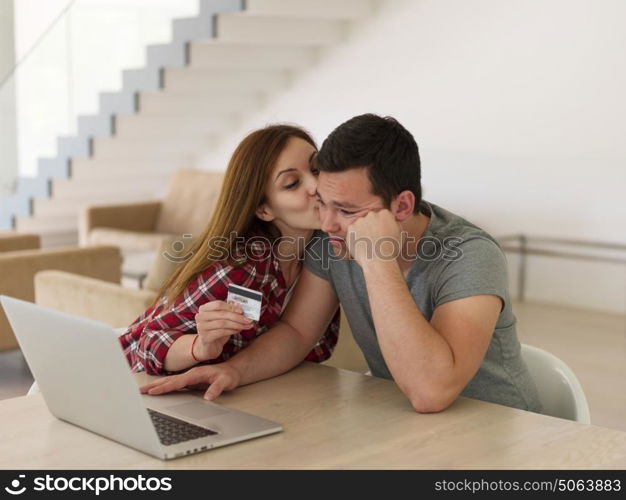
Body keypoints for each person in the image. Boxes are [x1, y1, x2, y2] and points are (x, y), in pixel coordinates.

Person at [140, 114, 541, 414]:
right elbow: (297, 332)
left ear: (401, 205)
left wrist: (377, 262)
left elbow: (430, 392)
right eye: (324, 204)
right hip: (413, 430)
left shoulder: (470, 254)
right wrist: (234, 371)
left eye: (347, 210)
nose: (328, 224)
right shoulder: (334, 238)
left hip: (503, 432)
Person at [119, 124, 340, 375]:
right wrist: (198, 346)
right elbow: (145, 343)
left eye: (317, 169)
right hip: (134, 379)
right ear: (264, 210)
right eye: (292, 183)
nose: (315, 186)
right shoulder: (241, 266)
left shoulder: (324, 247)